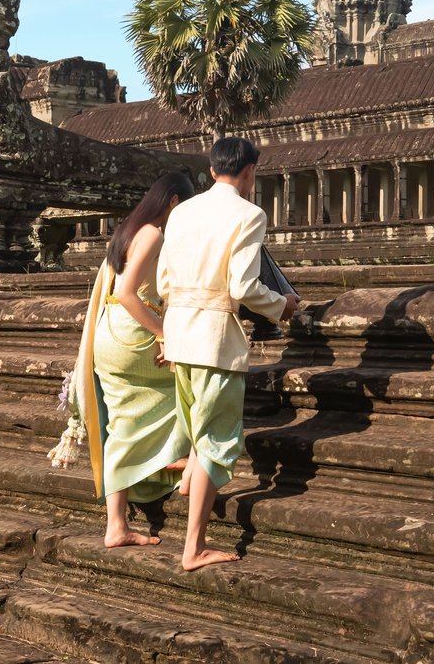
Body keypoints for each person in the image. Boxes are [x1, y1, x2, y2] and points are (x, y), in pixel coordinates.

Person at [157, 136, 300, 570]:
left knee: (202, 430)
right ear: (249, 171)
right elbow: (242, 287)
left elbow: (164, 280)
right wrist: (282, 306)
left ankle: (190, 486)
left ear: (213, 168)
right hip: (215, 339)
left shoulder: (182, 211)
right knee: (218, 442)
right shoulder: (249, 214)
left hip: (179, 334)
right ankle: (194, 548)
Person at [71, 169, 198, 548]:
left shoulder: (128, 228)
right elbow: (129, 292)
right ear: (173, 202)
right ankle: (178, 463)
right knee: (189, 387)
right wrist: (165, 333)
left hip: (109, 334)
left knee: (124, 422)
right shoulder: (154, 233)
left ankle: (117, 523)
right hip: (132, 334)